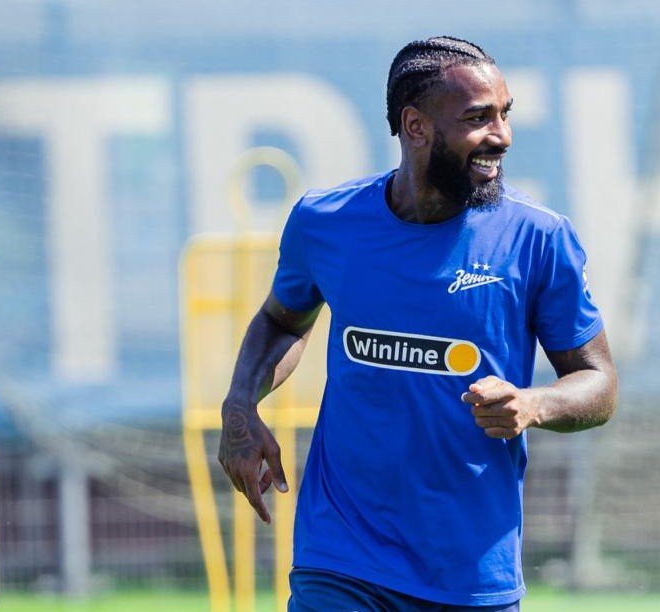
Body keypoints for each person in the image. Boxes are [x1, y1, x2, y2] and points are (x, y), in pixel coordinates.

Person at [218, 36, 618, 611]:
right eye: (478, 118)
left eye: (505, 114)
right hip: (342, 554)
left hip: (469, 571)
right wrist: (239, 407)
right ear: (416, 126)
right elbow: (282, 322)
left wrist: (533, 404)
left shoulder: (539, 238)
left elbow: (599, 382)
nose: (502, 135)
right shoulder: (325, 222)